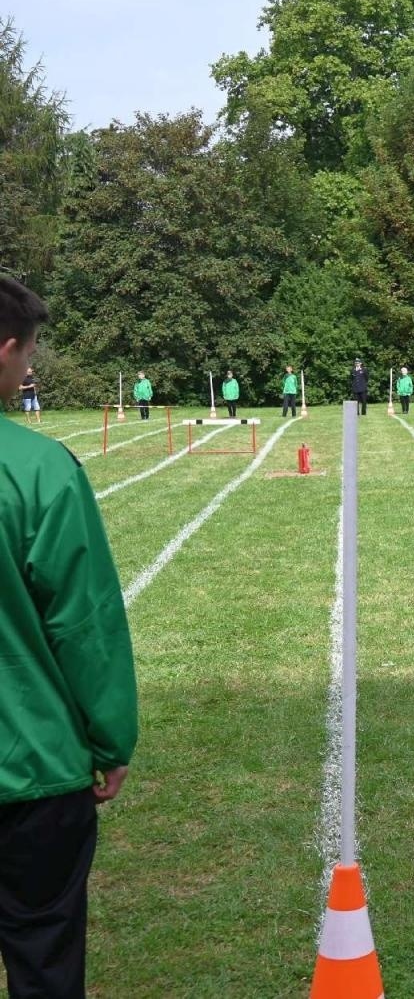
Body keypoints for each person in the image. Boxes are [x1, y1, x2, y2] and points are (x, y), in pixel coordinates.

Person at [0, 275, 139, 997]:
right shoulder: (40, 470)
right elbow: (85, 625)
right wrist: (111, 741)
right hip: (31, 771)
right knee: (44, 957)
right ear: (5, 351)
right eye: (29, 355)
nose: (30, 370)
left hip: (31, 772)